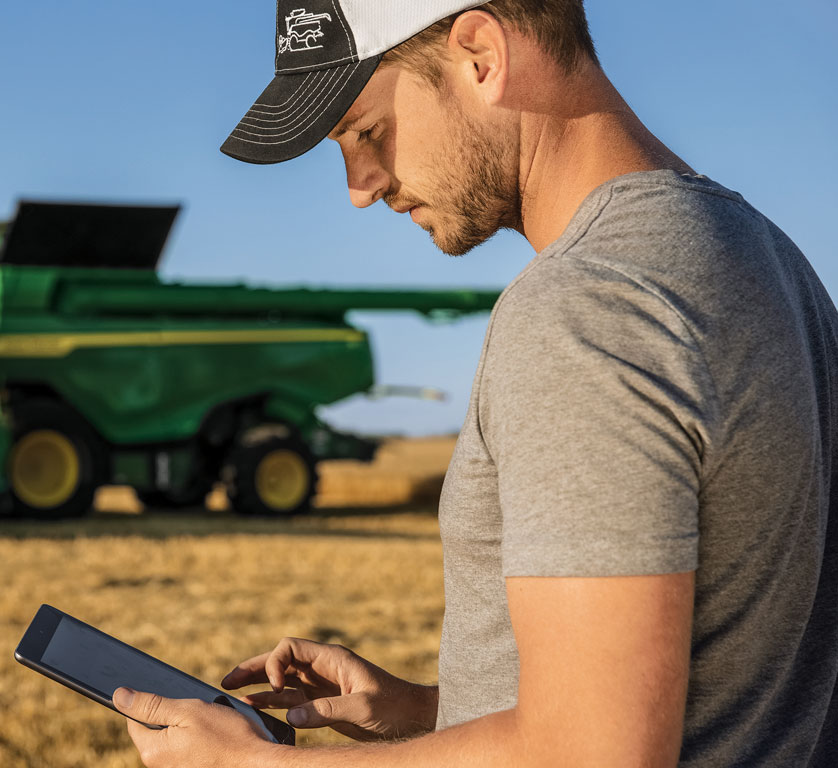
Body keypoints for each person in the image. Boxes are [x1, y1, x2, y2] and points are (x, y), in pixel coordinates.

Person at [112, 2, 838, 766]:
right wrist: (428, 712)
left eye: (366, 132)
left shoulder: (583, 308)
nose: (361, 186)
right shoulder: (767, 261)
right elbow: (735, 692)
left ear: (482, 55)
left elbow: (591, 755)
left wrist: (257, 763)